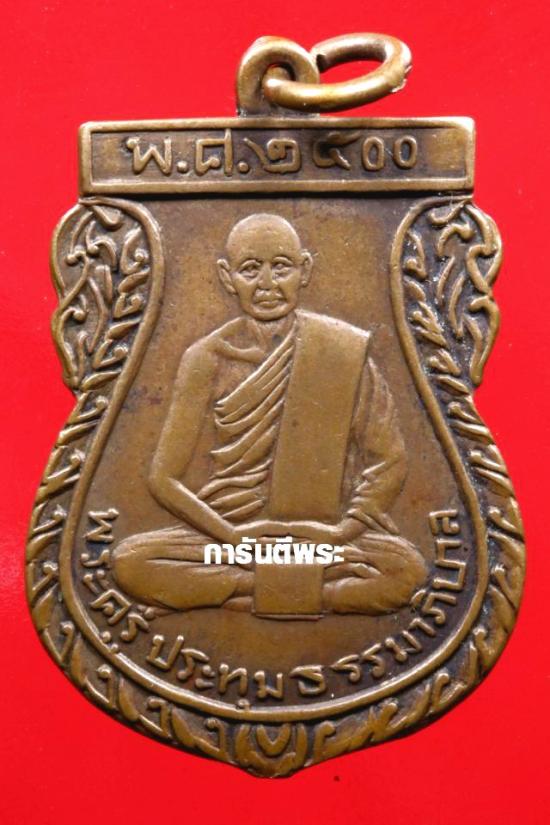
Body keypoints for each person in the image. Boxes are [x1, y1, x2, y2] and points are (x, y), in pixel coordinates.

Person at [111, 213, 426, 615]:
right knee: (130, 562)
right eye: (249, 269)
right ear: (227, 278)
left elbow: (388, 460)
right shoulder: (206, 358)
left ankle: (243, 593)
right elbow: (163, 478)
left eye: (281, 267)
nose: (266, 284)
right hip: (229, 538)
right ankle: (294, 587)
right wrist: (235, 539)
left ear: (304, 270)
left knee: (407, 570)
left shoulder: (341, 350)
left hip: (321, 538)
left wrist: (341, 533)